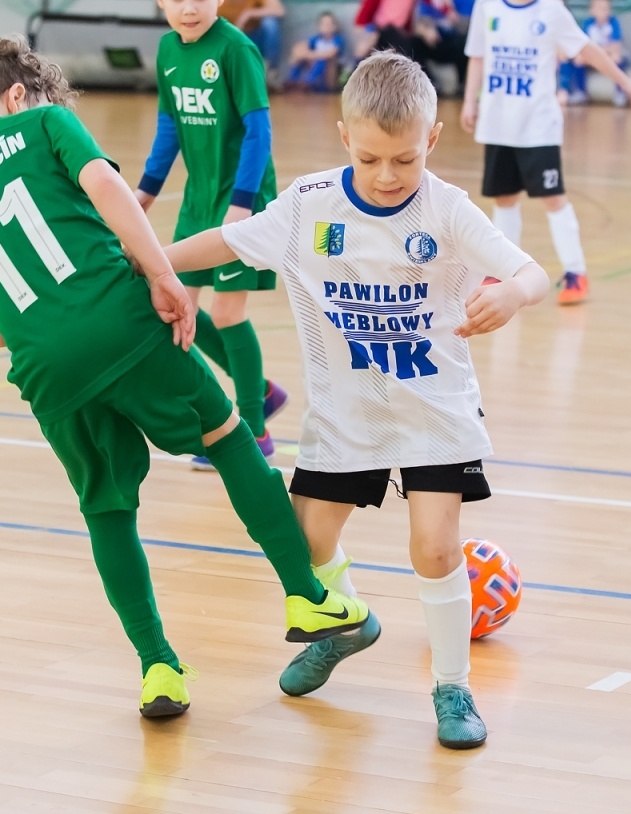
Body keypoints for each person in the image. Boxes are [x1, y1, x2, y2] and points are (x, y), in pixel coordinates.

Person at [0, 37, 369, 719]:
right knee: (226, 434)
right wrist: (163, 275)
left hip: (44, 370)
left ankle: (158, 665)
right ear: (18, 96)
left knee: (106, 508)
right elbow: (107, 190)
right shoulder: (44, 123)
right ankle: (304, 594)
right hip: (120, 321)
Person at [164, 51, 550, 749]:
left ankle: (453, 689)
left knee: (434, 550)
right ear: (345, 136)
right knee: (304, 546)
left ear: (432, 140)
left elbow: (531, 270)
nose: (386, 176)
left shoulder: (448, 209)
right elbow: (223, 240)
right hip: (347, 415)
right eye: (371, 158)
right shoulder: (308, 206)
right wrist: (149, 260)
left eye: (404, 159)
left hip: (434, 410)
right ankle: (347, 623)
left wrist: (514, 294)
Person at [138, 0, 290, 467]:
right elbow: (168, 126)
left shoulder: (235, 49)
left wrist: (243, 204)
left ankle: (252, 429)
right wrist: (144, 193)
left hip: (241, 200)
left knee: (227, 312)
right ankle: (263, 392)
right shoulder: (166, 52)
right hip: (198, 201)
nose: (189, 8)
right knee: (179, 307)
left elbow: (258, 129)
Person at [461, 0, 631, 306]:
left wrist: (625, 82)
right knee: (504, 198)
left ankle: (576, 272)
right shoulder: (487, 6)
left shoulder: (552, 13)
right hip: (498, 123)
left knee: (553, 198)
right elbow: (477, 56)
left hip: (539, 126)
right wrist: (469, 101)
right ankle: (504, 271)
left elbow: (589, 50)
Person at [558, 0, 629, 106]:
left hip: (608, 55)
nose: (603, 11)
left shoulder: (614, 23)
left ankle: (620, 93)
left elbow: (615, 46)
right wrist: (591, 55)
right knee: (578, 59)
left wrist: (600, 52)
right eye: (599, 8)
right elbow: (584, 45)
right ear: (592, 10)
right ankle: (580, 92)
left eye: (605, 8)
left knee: (617, 58)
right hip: (594, 55)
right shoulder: (588, 24)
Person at [415, 0, 475, 81]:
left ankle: (463, 83)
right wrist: (426, 30)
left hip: (455, 43)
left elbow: (465, 27)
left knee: (464, 41)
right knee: (415, 42)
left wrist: (448, 5)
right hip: (437, 41)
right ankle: (426, 82)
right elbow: (422, 20)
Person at [219, 0, 286, 71]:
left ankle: (271, 70)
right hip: (232, 39)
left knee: (270, 23)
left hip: (256, 36)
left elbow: (279, 10)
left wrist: (249, 13)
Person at [286, 11, 346, 92]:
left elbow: (330, 54)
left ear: (334, 27)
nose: (325, 27)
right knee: (300, 59)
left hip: (328, 72)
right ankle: (292, 81)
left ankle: (309, 83)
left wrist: (308, 55)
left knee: (321, 61)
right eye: (322, 24)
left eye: (328, 24)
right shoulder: (316, 39)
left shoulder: (337, 39)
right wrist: (299, 55)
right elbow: (299, 47)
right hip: (314, 64)